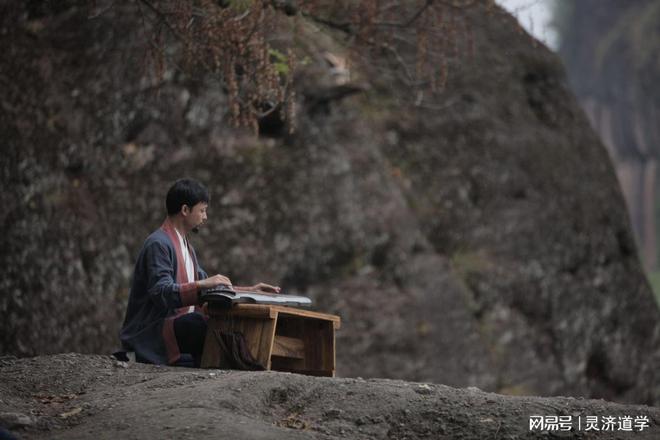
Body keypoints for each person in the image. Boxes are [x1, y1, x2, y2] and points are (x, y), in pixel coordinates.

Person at [119, 178, 279, 367]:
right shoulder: (158, 244)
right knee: (197, 323)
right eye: (202, 210)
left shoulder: (187, 247)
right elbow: (161, 293)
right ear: (185, 210)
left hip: (176, 331)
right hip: (150, 335)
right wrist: (201, 285)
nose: (205, 217)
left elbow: (209, 287)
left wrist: (250, 291)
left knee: (215, 322)